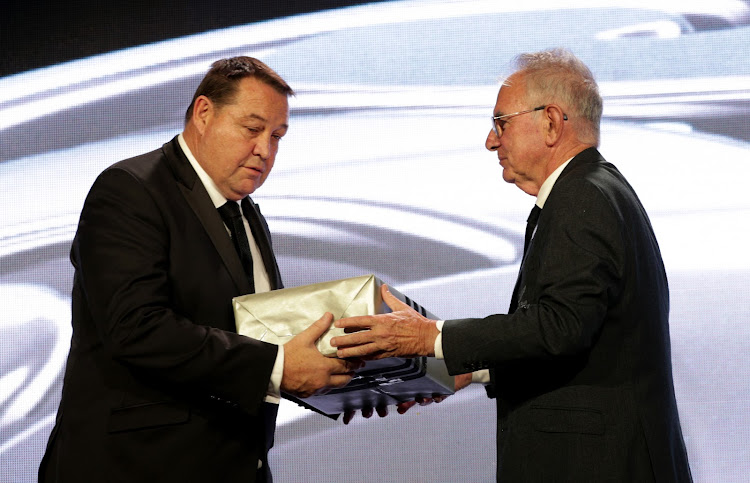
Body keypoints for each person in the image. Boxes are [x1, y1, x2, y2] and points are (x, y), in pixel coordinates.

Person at [332, 48, 693, 482]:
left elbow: (560, 326)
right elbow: (579, 336)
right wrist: (472, 366)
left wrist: (430, 337)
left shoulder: (583, 196)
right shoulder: (594, 189)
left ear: (551, 122)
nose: (490, 140)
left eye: (500, 123)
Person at [39, 56, 359, 483]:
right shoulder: (130, 190)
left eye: (277, 136)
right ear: (204, 113)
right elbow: (138, 328)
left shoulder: (246, 213)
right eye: (252, 128)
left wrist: (354, 379)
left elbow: (255, 335)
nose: (265, 149)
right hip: (135, 467)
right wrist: (279, 366)